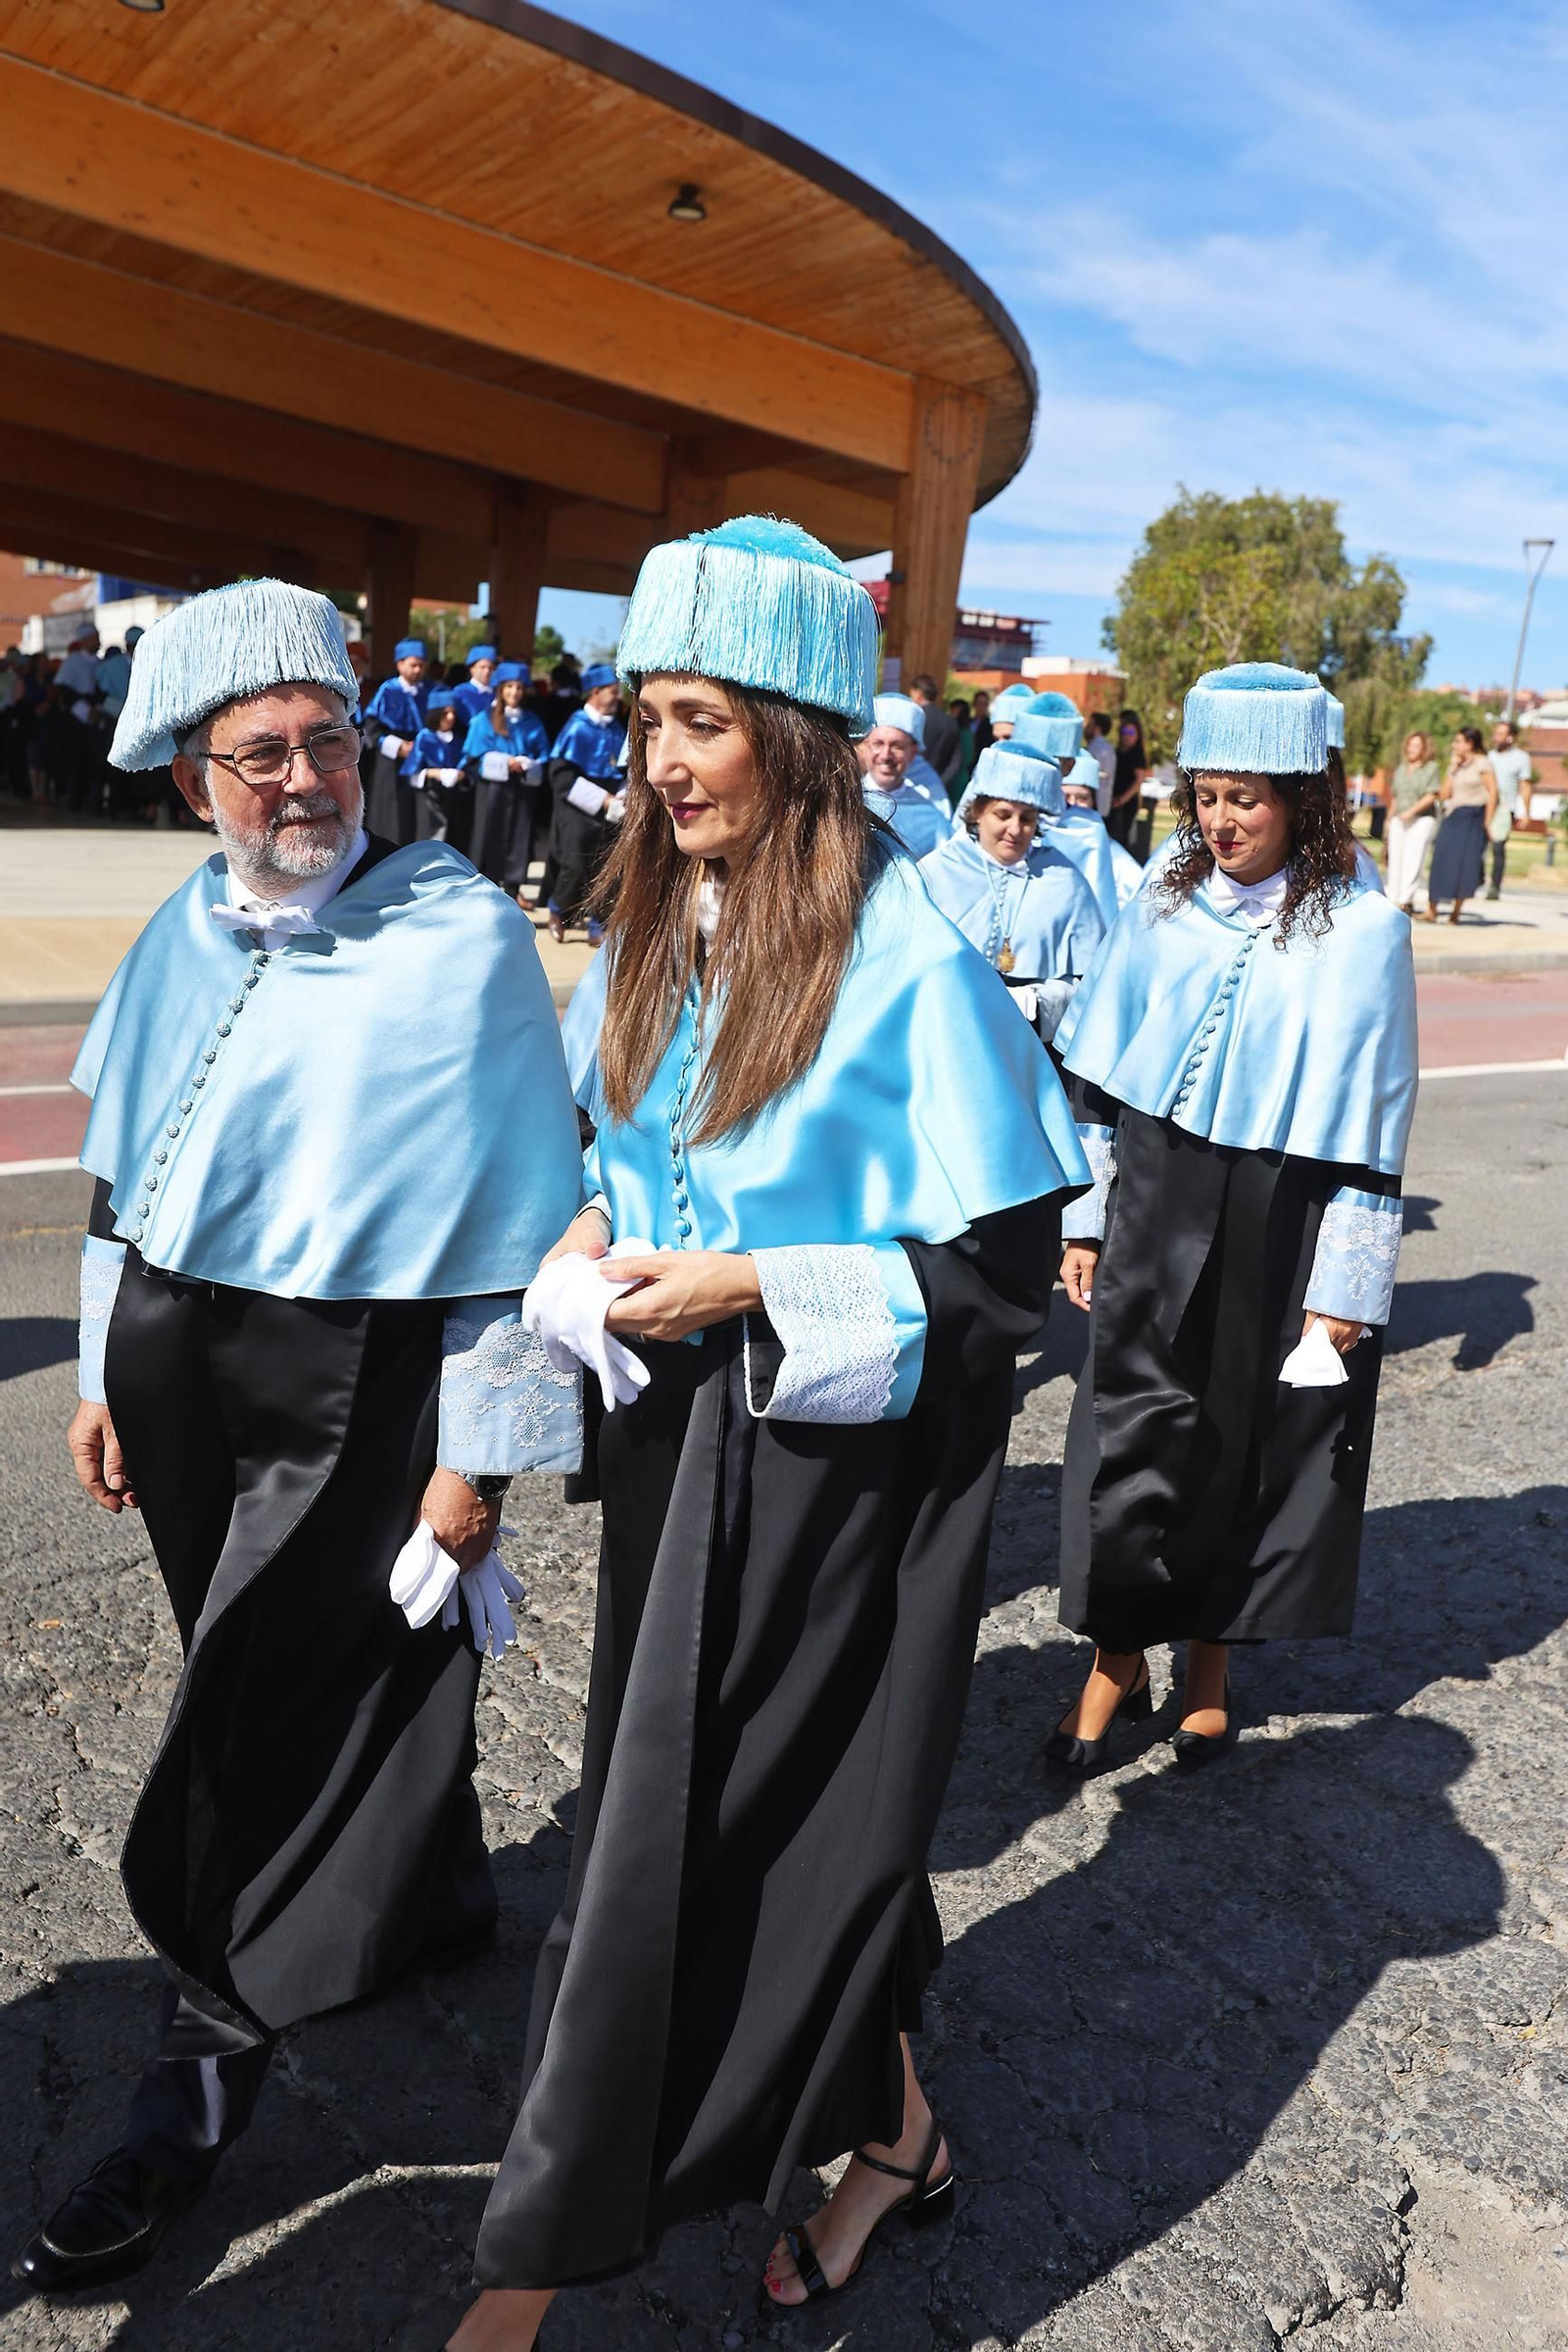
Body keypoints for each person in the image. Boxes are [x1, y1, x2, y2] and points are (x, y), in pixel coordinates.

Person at [443, 515, 1090, 2352]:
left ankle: (532, 2265)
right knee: (781, 1828)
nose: (660, 761)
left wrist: (752, 1285)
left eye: (702, 722)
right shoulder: (660, 917)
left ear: (796, 738)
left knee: (698, 1840)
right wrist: (587, 1233)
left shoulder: (911, 960)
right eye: (647, 717)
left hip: (836, 1485)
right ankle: (899, 2132)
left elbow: (996, 1285)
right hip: (675, 1454)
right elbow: (604, 1147)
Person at [13, 579, 584, 2298]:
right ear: (196, 777)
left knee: (252, 1717)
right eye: (256, 754)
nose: (301, 778)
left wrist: (477, 1467)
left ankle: (188, 2096)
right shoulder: (184, 924)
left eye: (325, 739)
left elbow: (518, 1235)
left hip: (353, 1382)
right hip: (180, 1368)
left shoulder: (459, 933)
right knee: (274, 1661)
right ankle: (438, 1893)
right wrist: (101, 1370)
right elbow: (122, 1174)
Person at [1051, 662, 1416, 1772]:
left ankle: (1209, 1658)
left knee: (1242, 1438)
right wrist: (1084, 1217)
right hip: (1154, 1201)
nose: (1219, 821)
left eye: (1244, 799)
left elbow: (1375, 1133)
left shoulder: (1366, 931)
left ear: (1302, 799)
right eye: (1205, 796)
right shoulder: (1160, 903)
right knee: (1129, 1430)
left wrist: (1346, 1288)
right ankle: (1116, 1653)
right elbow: (1097, 1083)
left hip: (1281, 1217)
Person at [919, 735, 1104, 1044]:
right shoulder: (936, 872)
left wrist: (1035, 1002)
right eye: (1003, 815)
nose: (1015, 830)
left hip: (1026, 1043)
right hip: (945, 1033)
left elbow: (1089, 984)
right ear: (978, 812)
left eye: (1027, 818)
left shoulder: (1065, 880)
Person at [544, 663, 627, 943]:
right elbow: (562, 777)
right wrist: (603, 799)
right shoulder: (577, 727)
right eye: (612, 691)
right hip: (578, 809)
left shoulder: (617, 728)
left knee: (608, 867)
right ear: (596, 692)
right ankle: (559, 911)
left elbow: (625, 769)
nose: (617, 697)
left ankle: (598, 924)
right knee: (575, 865)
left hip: (612, 810)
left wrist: (622, 795)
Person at [466, 662, 550, 901]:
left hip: (522, 786)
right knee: (489, 833)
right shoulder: (483, 719)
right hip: (493, 788)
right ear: (500, 689)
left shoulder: (532, 721)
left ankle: (513, 887)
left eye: (519, 687)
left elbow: (543, 755)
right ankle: (486, 887)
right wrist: (504, 762)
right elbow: (473, 757)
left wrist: (526, 763)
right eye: (510, 686)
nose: (515, 692)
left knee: (519, 835)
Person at [856, 696, 954, 858]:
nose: (886, 755)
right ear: (866, 746)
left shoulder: (931, 818)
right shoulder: (846, 799)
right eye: (878, 744)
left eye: (897, 746)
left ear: (912, 752)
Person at [1425, 727, 1497, 924]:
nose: (1454, 745)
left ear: (1470, 743)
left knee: (1464, 864)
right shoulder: (1455, 765)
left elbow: (1493, 792)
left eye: (1458, 741)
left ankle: (1456, 912)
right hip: (1453, 815)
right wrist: (1453, 769)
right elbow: (1444, 795)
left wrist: (1488, 821)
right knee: (1440, 859)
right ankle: (1431, 909)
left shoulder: (1483, 763)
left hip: (1473, 817)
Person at [363, 636, 427, 846]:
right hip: (391, 756)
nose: (417, 670)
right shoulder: (388, 690)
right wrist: (396, 746)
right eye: (413, 665)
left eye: (421, 665)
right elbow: (371, 727)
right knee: (391, 807)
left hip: (419, 754)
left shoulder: (428, 692)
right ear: (400, 664)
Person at [1063, 752, 1144, 906]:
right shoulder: (1038, 844)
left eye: (1082, 798)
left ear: (1093, 802)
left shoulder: (1115, 856)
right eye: (1065, 797)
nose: (1073, 804)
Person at [407, 682, 475, 854]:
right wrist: (435, 773)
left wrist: (461, 775)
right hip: (431, 798)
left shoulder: (459, 741)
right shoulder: (424, 738)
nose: (450, 717)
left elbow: (468, 770)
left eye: (453, 712)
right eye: (445, 713)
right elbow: (413, 773)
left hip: (456, 800)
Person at [1384, 730, 1442, 913]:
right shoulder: (1401, 769)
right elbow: (1395, 796)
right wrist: (1389, 818)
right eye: (1410, 745)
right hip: (1399, 818)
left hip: (1421, 819)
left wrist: (1412, 811)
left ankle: (1405, 900)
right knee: (1395, 859)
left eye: (1416, 745)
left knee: (1413, 860)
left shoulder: (1431, 768)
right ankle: (1392, 898)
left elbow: (1432, 794)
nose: (1411, 749)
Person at [1487, 719, 1534, 901]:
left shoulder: (1521, 758)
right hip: (1485, 806)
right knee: (1477, 845)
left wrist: (1526, 813)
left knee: (1498, 848)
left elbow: (1525, 786)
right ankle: (1477, 877)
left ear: (1510, 737)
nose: (1496, 737)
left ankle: (1495, 886)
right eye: (1495, 733)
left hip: (1505, 809)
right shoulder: (1489, 756)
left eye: (1500, 733)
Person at [908, 671, 960, 789]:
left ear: (918, 693)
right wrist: (941, 782)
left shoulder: (913, 720)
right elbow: (956, 761)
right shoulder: (950, 722)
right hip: (938, 784)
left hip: (913, 784)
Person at [1108, 708, 1150, 851]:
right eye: (1124, 732)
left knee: (1121, 837)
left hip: (1125, 804)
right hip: (1112, 800)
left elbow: (1139, 780)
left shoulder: (1137, 754)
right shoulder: (1117, 752)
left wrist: (1121, 800)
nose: (1127, 736)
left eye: (1131, 733)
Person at [453, 642, 499, 726]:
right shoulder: (460, 692)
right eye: (482, 667)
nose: (487, 671)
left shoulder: (497, 694)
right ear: (472, 669)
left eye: (490, 668)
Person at [1084, 710, 1117, 818]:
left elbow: (1103, 772)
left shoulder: (1098, 748)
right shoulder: (1106, 747)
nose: (1086, 727)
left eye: (1090, 724)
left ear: (1097, 727)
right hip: (1101, 803)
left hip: (1096, 802)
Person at [971, 687, 994, 757]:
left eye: (984, 704)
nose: (982, 707)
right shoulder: (968, 722)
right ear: (974, 704)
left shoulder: (990, 725)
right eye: (980, 703)